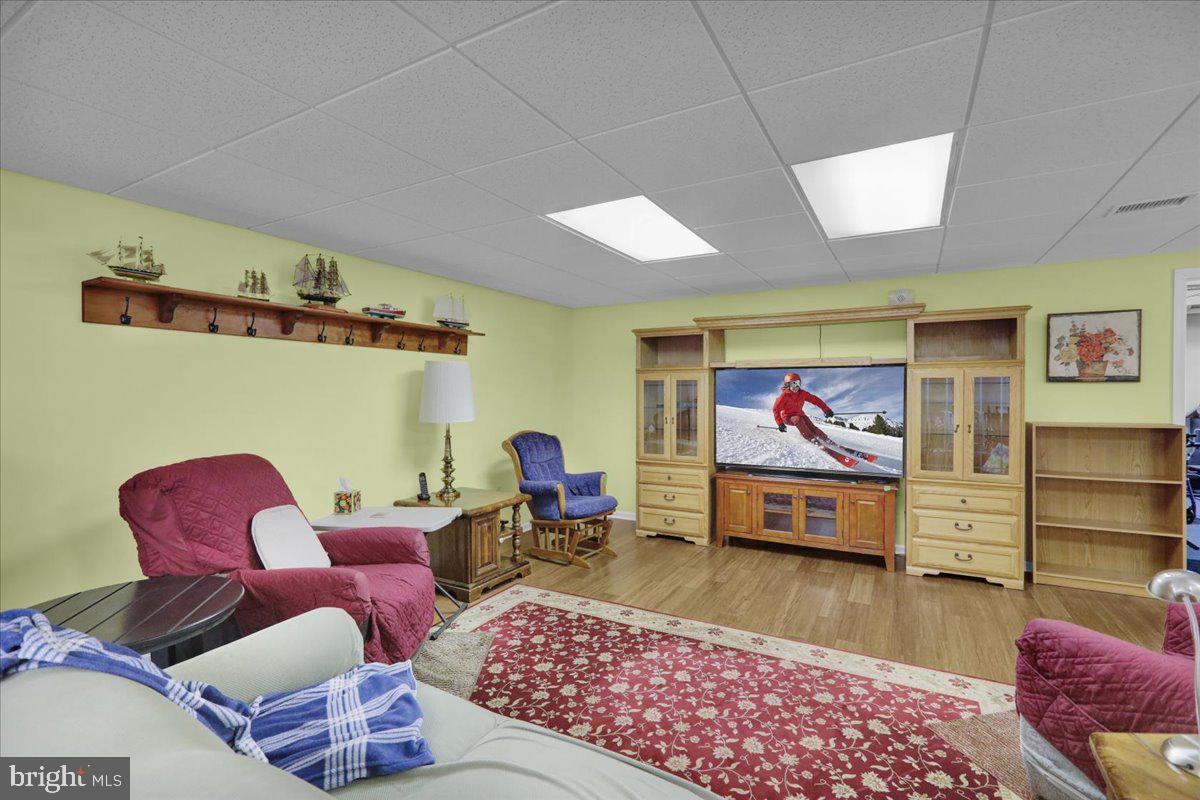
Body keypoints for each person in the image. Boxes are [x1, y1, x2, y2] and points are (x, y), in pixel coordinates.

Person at [772, 372, 837, 446]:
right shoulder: (784, 396)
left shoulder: (802, 394)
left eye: (798, 383)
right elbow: (776, 409)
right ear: (787, 385)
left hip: (800, 414)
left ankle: (824, 438)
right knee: (798, 420)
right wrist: (780, 424)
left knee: (809, 424)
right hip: (787, 417)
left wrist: (826, 410)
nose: (795, 386)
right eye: (793, 384)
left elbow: (815, 400)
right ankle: (811, 438)